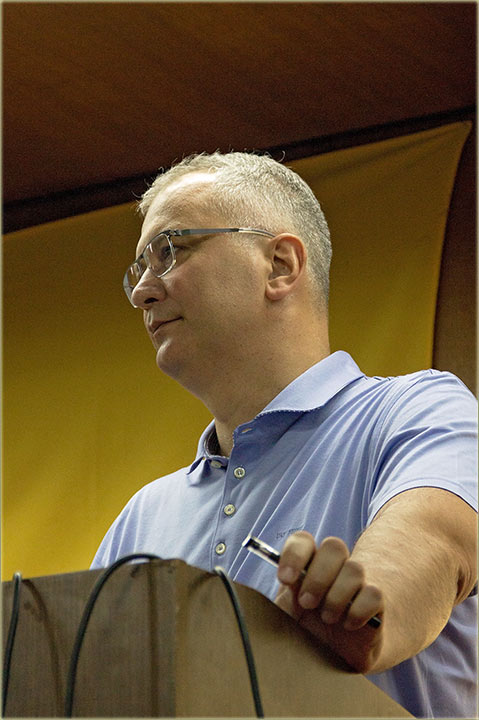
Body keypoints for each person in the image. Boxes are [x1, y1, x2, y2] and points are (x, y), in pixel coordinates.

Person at [91, 151, 477, 718]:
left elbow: (439, 543)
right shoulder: (140, 518)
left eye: (169, 251)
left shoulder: (416, 410)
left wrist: (363, 613)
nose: (140, 292)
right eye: (138, 269)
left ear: (279, 265)